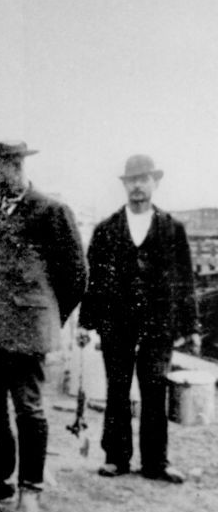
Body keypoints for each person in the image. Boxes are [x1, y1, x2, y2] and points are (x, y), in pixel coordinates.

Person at [0, 141, 87, 512]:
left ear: (18, 166)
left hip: (27, 330)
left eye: (1, 170)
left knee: (28, 409)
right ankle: (0, 479)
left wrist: (45, 317)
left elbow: (75, 276)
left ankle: (31, 489)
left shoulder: (51, 210)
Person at [78, 155, 201, 484]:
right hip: (116, 322)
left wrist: (191, 328)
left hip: (158, 324)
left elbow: (184, 280)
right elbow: (95, 279)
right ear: (123, 185)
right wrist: (85, 323)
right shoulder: (106, 229)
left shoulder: (171, 228)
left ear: (155, 182)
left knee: (154, 389)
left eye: (143, 179)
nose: (137, 185)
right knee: (117, 388)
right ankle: (116, 458)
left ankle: (155, 462)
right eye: (131, 180)